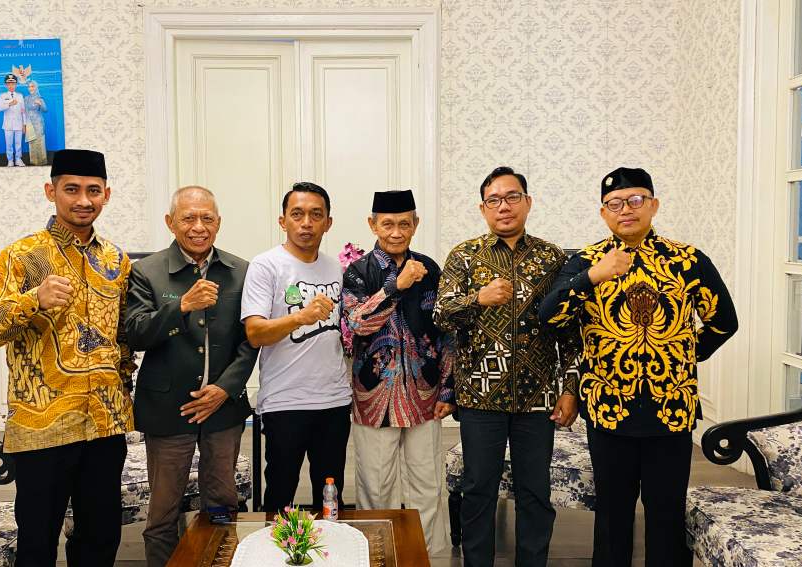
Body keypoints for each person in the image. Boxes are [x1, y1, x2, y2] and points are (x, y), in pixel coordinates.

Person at [539, 167, 738, 567]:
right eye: (614, 203)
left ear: (653, 205)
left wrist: (682, 355)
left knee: (667, 512)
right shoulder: (585, 261)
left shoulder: (688, 260)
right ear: (603, 213)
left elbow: (723, 322)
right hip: (609, 409)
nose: (625, 210)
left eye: (635, 200)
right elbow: (550, 317)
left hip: (670, 409)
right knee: (612, 514)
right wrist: (592, 276)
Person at [0, 149, 133, 567]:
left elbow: (122, 339)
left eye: (93, 190)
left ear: (106, 195)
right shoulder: (21, 255)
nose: (83, 200)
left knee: (100, 538)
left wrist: (124, 392)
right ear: (51, 191)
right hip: (43, 426)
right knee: (38, 541)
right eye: (72, 189)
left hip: (104, 423)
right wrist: (33, 300)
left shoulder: (117, 260)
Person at [434, 166, 580, 567]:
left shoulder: (552, 258)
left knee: (535, 493)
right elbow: (441, 315)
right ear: (483, 208)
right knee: (478, 490)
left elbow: (569, 331)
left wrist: (570, 389)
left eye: (512, 197)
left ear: (527, 202)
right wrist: (477, 299)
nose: (504, 206)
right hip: (480, 395)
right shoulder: (464, 256)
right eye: (494, 200)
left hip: (538, 397)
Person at [123, 186, 258, 566]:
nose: (199, 226)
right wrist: (181, 306)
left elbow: (251, 340)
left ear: (218, 223)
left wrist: (225, 389)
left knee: (222, 504)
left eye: (207, 218)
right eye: (188, 218)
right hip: (168, 408)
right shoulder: (146, 272)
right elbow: (136, 333)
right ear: (170, 222)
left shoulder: (241, 271)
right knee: (163, 512)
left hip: (223, 409)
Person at [341, 189, 455, 556]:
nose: (395, 232)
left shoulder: (429, 268)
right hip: (373, 397)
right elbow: (357, 323)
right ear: (372, 225)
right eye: (387, 224)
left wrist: (448, 390)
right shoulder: (359, 272)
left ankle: (427, 559)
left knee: (428, 486)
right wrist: (396, 286)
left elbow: (446, 332)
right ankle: (379, 557)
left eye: (404, 224)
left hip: (425, 396)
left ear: (415, 224)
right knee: (376, 488)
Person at [240, 181, 351, 512]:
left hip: (334, 401)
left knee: (330, 498)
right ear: (282, 221)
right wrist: (301, 317)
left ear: (328, 222)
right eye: (297, 214)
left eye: (316, 215)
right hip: (285, 401)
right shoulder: (266, 265)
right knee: (280, 496)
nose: (306, 223)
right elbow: (255, 333)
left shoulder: (336, 268)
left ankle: (331, 546)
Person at [0, 73, 26, 167]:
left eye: (13, 84)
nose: (11, 86)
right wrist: (9, 104)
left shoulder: (20, 96)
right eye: (9, 84)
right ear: (6, 85)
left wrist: (24, 124)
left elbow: (23, 111)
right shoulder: (2, 96)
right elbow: (0, 108)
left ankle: (18, 159)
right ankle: (10, 160)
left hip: (18, 123)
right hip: (8, 124)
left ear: (16, 84)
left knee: (18, 143)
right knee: (9, 144)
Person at [24, 81, 48, 166]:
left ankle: (41, 161)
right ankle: (33, 161)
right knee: (32, 141)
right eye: (29, 87)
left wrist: (40, 104)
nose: (30, 88)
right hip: (29, 122)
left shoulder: (39, 97)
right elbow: (25, 112)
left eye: (32, 86)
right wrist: (25, 124)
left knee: (39, 140)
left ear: (36, 87)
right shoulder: (26, 98)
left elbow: (45, 110)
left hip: (38, 122)